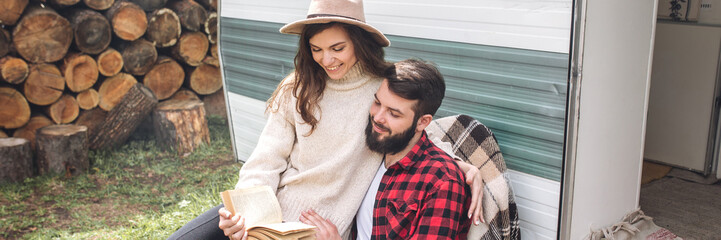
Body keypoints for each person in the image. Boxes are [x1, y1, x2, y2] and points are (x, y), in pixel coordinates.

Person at [167, 1, 483, 239]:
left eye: (337, 48)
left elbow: (414, 130)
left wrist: (464, 167)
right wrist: (246, 216)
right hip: (265, 212)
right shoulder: (297, 87)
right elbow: (264, 162)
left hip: (316, 230)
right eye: (316, 49)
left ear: (359, 42)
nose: (326, 60)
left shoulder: (381, 90)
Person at [299, 59, 471, 239]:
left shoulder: (441, 181)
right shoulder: (371, 150)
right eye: (377, 103)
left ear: (423, 122)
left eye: (394, 113)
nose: (378, 117)